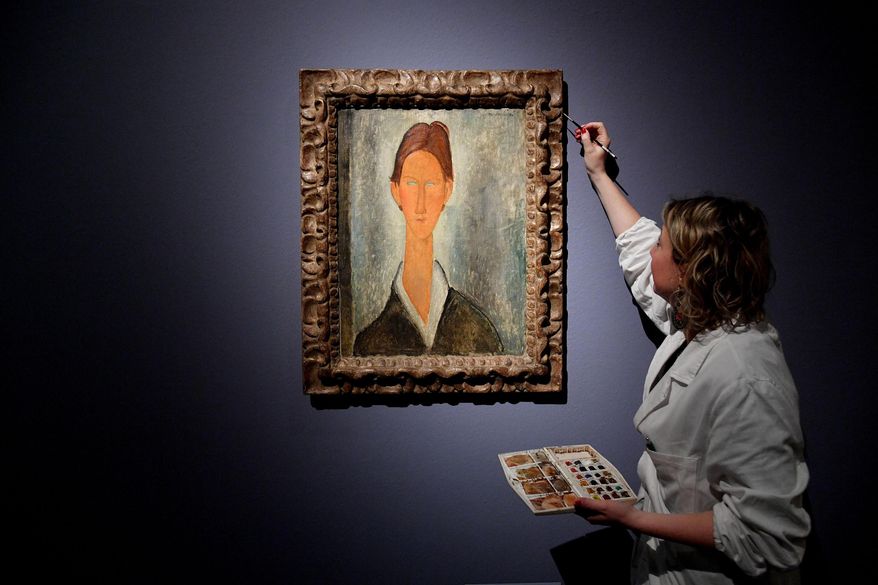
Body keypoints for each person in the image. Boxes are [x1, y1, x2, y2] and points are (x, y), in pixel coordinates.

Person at [572, 121, 810, 584]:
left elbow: (771, 537)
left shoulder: (746, 375)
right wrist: (599, 173)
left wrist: (631, 518)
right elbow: (638, 250)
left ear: (690, 272)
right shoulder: (698, 325)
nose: (653, 246)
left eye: (664, 243)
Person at [353, 121, 503, 356]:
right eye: (411, 183)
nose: (420, 203)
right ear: (396, 190)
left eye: (431, 184)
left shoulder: (481, 333)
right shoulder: (368, 344)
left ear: (447, 190)